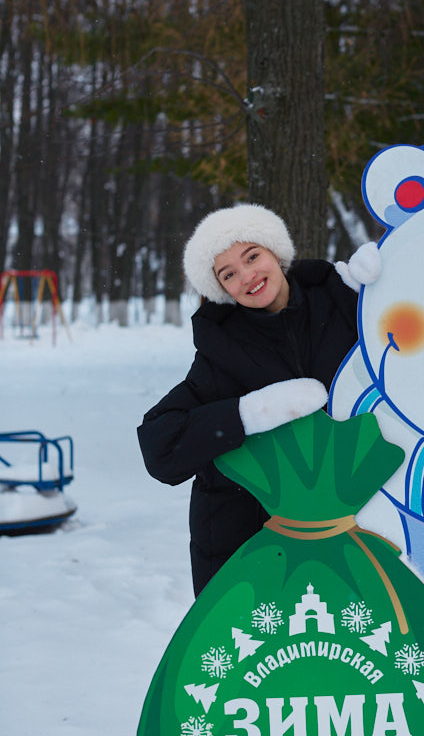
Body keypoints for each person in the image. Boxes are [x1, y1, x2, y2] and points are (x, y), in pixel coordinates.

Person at [138, 203, 378, 596]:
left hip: (353, 526)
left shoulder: (342, 302)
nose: (247, 276)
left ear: (276, 253)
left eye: (252, 256)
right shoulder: (221, 351)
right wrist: (247, 415)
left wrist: (387, 289)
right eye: (228, 274)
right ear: (220, 290)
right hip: (252, 543)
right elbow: (160, 448)